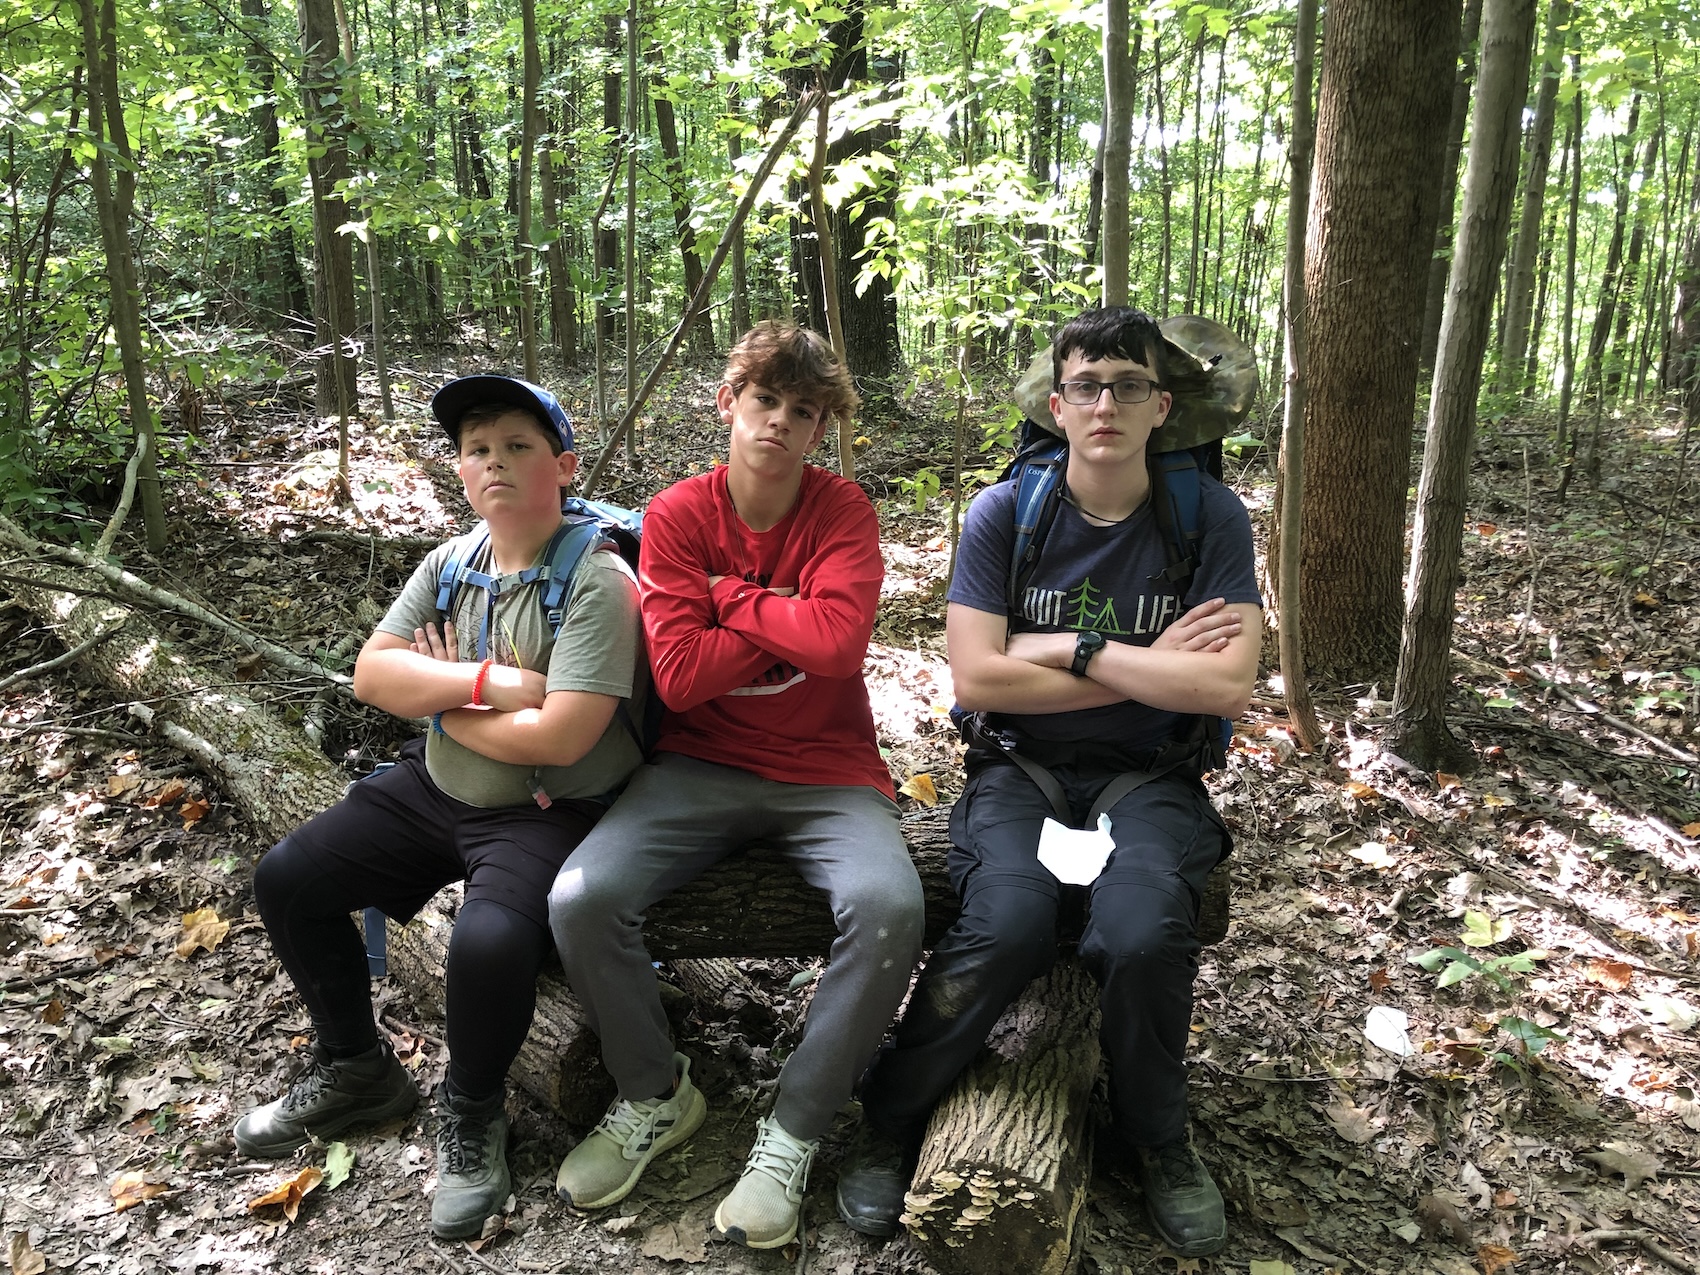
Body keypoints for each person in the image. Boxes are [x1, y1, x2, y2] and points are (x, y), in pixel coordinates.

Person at [835, 306, 1261, 1257]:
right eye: (1086, 386)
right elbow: (979, 678)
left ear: (1162, 407)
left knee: (1143, 933)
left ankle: (1157, 1138)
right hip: (1019, 768)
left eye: (1130, 386)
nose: (1106, 404)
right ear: (1057, 405)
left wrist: (1071, 646)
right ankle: (892, 1118)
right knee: (1006, 925)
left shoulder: (1208, 517)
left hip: (1151, 775)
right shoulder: (1007, 513)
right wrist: (1150, 659)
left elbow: (1226, 683)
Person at [233, 376, 645, 1240]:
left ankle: (473, 1108)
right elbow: (373, 675)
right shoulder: (452, 563)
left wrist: (444, 699)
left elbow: (565, 736)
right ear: (459, 471)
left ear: (564, 466)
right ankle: (357, 1067)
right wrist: (492, 682)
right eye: (477, 450)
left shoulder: (600, 579)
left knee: (487, 942)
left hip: (548, 809)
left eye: (518, 446)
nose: (495, 463)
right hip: (436, 786)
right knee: (288, 880)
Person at [548, 321, 924, 1251]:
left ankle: (792, 1130)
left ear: (820, 428)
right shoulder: (681, 513)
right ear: (729, 402)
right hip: (698, 763)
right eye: (765, 400)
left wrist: (730, 598)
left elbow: (839, 645)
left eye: (803, 410)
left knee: (889, 907)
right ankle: (654, 1094)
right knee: (581, 897)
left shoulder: (841, 511)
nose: (779, 422)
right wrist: (791, 614)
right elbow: (680, 678)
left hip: (829, 771)